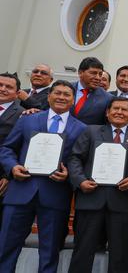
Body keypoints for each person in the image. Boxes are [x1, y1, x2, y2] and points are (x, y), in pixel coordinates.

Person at [0, 80, 87, 273]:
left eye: (66, 94)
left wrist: (69, 175)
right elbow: (6, 148)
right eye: (57, 93)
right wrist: (13, 168)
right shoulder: (27, 119)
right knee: (5, 247)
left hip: (55, 195)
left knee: (49, 252)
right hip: (20, 192)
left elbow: (79, 161)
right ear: (48, 96)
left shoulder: (82, 128)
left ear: (73, 100)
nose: (61, 97)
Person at [67, 97, 128, 273]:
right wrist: (80, 181)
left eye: (124, 110)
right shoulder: (91, 131)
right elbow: (75, 158)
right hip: (91, 198)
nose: (119, 112)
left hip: (121, 202)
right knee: (83, 250)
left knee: (120, 254)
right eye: (115, 108)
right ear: (107, 113)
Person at [0, 72, 26, 229]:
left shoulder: (23, 114)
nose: (2, 89)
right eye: (0, 85)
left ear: (17, 93)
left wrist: (7, 175)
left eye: (8, 87)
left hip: (2, 177)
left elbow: (19, 147)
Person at [71, 57, 113, 125]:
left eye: (100, 74)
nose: (98, 78)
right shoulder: (66, 89)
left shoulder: (108, 98)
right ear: (80, 73)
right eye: (93, 73)